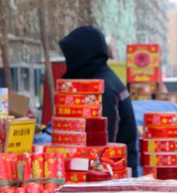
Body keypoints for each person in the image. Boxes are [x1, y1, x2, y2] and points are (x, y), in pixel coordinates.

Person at [59, 25, 138, 172]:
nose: (66, 65)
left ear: (80, 56)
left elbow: (103, 148)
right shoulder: (103, 80)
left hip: (113, 179)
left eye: (69, 58)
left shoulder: (102, 89)